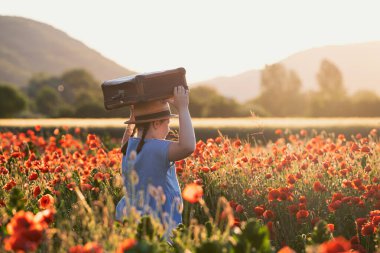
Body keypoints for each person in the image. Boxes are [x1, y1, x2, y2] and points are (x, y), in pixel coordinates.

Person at [115, 86, 195, 238]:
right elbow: (187, 146)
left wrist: (135, 115)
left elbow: (129, 135)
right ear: (156, 123)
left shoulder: (129, 146)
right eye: (167, 123)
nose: (169, 128)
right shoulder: (155, 148)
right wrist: (183, 108)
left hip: (131, 219)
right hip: (157, 224)